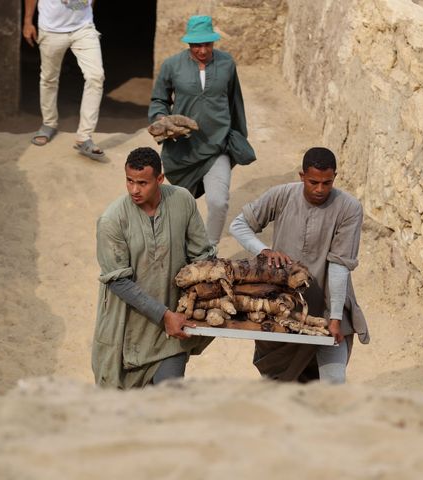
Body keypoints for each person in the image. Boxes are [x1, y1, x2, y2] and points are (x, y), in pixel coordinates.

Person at [228, 147, 369, 384]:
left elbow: (338, 266)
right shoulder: (281, 195)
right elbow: (239, 225)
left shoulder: (349, 208)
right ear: (302, 176)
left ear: (335, 177)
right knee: (280, 385)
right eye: (313, 182)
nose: (320, 189)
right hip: (282, 309)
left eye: (327, 183)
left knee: (332, 384)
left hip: (327, 309)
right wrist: (263, 251)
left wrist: (334, 318)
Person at [92, 147, 215, 388]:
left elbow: (201, 255)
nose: (134, 190)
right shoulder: (112, 220)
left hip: (171, 332)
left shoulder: (182, 200)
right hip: (128, 332)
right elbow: (118, 281)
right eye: (129, 181)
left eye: (142, 183)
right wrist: (163, 315)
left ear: (160, 179)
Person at [148, 15, 256, 248]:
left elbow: (235, 102)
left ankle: (210, 251)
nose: (203, 50)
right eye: (197, 45)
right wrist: (162, 120)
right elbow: (159, 99)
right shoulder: (171, 65)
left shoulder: (226, 64)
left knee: (218, 202)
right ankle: (173, 248)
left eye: (207, 44)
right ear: (188, 43)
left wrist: (238, 138)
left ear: (213, 43)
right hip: (182, 150)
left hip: (218, 146)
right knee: (176, 206)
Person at [22, 0, 105, 160]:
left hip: (83, 28)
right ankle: (49, 123)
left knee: (96, 76)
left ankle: (84, 137)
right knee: (49, 79)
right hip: (51, 29)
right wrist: (27, 21)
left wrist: (88, 15)